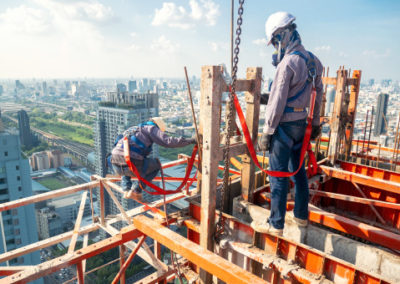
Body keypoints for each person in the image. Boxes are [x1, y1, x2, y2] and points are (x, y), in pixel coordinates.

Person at [252, 12, 324, 236]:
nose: (275, 47)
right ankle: (301, 217)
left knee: (278, 175)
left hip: (284, 128)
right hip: (303, 126)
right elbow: (317, 94)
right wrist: (317, 123)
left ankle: (276, 225)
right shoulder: (314, 61)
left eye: (274, 41)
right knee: (298, 171)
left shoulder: (287, 64)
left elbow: (278, 102)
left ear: (282, 35)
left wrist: (267, 131)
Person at [110, 117, 196, 200]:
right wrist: (191, 140)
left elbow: (118, 146)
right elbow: (168, 141)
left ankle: (126, 188)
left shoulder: (134, 129)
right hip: (130, 164)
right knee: (156, 165)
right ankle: (136, 190)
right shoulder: (151, 128)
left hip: (115, 164)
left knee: (127, 159)